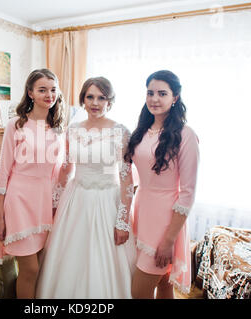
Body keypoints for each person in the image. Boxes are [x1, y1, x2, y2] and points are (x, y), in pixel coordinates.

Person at [36, 77, 136, 298]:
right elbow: (66, 169)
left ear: (109, 101)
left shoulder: (121, 131)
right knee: (71, 257)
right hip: (75, 199)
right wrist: (53, 204)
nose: (95, 102)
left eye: (101, 97)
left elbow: (127, 179)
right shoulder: (73, 129)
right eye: (90, 96)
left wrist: (122, 221)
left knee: (103, 260)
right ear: (83, 99)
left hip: (107, 200)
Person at [0, 69, 65, 299]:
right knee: (30, 269)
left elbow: (59, 173)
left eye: (53, 90)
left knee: (40, 269)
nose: (49, 95)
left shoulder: (58, 128)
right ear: (30, 93)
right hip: (19, 201)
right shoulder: (16, 125)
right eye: (42, 90)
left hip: (44, 204)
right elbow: (3, 173)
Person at [124, 70, 199, 298]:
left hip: (165, 221)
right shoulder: (141, 132)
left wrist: (169, 240)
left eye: (162, 93)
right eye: (150, 93)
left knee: (138, 292)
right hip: (142, 212)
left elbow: (187, 194)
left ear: (175, 97)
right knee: (164, 285)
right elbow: (135, 174)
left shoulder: (186, 135)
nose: (154, 99)